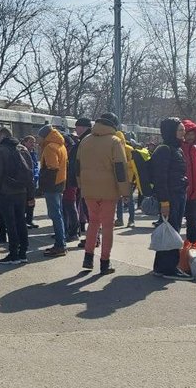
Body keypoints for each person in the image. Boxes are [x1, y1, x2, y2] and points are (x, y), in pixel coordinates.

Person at [76, 113, 130, 275]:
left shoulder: (85, 140)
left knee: (93, 223)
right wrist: (125, 192)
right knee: (107, 227)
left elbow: (77, 166)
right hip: (108, 191)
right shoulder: (114, 141)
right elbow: (120, 169)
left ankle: (88, 257)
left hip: (89, 190)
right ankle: (104, 262)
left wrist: (81, 185)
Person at [150, 118, 193, 280]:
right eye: (180, 130)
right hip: (170, 197)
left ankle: (162, 267)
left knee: (171, 230)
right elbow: (160, 179)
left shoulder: (176, 148)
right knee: (171, 231)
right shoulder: (165, 150)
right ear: (171, 132)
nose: (184, 133)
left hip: (178, 195)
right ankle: (168, 268)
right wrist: (164, 202)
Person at [0, 128, 31, 265]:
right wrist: (30, 194)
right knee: (21, 221)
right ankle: (23, 252)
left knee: (10, 223)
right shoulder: (22, 149)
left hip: (6, 191)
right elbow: (29, 172)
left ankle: (13, 254)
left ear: (2, 136)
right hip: (21, 191)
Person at [38, 125, 69, 257]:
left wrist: (42, 183)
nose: (38, 139)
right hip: (60, 182)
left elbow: (52, 167)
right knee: (59, 213)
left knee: (55, 214)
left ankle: (60, 245)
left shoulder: (50, 147)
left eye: (39, 136)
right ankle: (62, 242)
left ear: (45, 136)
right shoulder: (61, 145)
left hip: (52, 185)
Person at [71, 117, 93, 247]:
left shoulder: (85, 141)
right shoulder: (87, 140)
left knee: (90, 212)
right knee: (89, 212)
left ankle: (93, 239)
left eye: (77, 127)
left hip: (86, 181)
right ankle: (92, 238)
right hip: (87, 180)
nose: (76, 129)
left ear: (84, 127)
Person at [114, 131, 139, 228]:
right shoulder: (113, 149)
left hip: (128, 178)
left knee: (130, 200)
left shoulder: (129, 149)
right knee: (119, 200)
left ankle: (131, 220)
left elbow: (133, 164)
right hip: (117, 178)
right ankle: (119, 219)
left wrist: (122, 164)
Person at [21, 136, 40, 229]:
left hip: (32, 180)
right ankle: (22, 221)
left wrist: (36, 175)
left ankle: (29, 220)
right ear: (25, 142)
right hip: (25, 181)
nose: (33, 144)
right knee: (24, 201)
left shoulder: (33, 153)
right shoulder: (22, 152)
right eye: (30, 142)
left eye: (34, 142)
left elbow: (35, 166)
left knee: (31, 201)